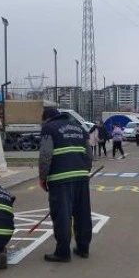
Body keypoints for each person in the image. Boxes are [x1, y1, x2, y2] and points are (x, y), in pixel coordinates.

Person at [38, 107, 94, 262]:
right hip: (81, 177)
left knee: (62, 215)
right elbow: (89, 153)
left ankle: (62, 252)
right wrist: (85, 170)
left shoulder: (48, 128)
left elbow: (45, 154)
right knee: (82, 214)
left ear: (46, 118)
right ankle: (83, 248)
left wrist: (43, 176)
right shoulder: (79, 128)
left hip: (60, 179)